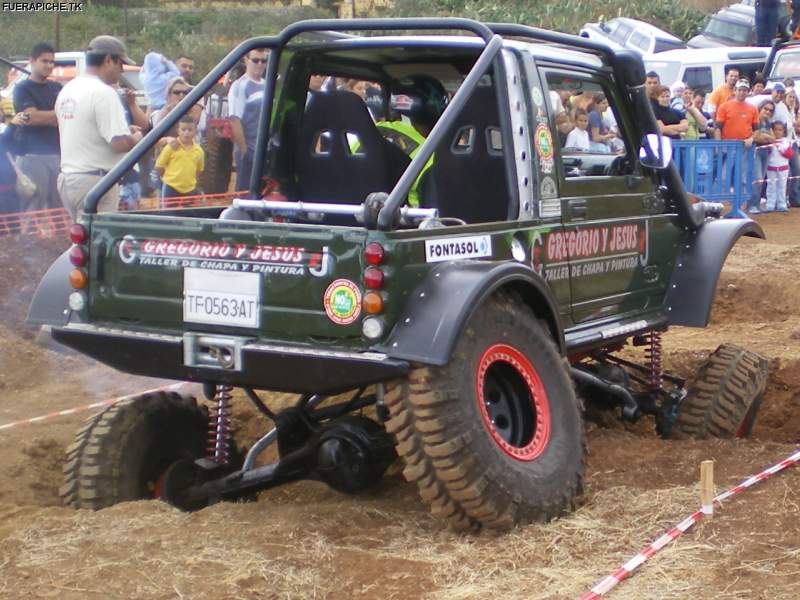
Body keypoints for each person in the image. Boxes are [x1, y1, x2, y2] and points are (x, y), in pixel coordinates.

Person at [55, 35, 143, 219]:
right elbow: (119, 142)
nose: (122, 70)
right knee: (100, 243)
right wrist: (135, 138)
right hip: (96, 182)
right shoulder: (104, 93)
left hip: (69, 179)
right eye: (120, 63)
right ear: (108, 60)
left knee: (83, 240)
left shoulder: (68, 89)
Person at [12, 42, 62, 212]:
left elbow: (68, 114)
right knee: (34, 205)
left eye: (51, 62)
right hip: (32, 155)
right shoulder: (22, 88)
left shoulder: (57, 88)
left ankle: (59, 239)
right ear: (32, 61)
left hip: (57, 154)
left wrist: (46, 117)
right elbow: (30, 117)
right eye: (44, 61)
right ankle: (30, 239)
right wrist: (57, 115)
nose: (49, 65)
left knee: (59, 205)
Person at [227, 48, 267, 192]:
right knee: (245, 192)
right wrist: (244, 151)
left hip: (265, 150)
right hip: (248, 150)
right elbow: (234, 120)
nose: (260, 64)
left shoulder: (267, 84)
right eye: (255, 60)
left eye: (263, 61)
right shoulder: (239, 86)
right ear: (246, 60)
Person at [155, 115, 204, 201]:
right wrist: (169, 178)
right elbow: (159, 166)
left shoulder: (199, 151)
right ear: (178, 131)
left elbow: (199, 170)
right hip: (171, 189)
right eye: (183, 129)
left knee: (187, 214)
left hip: (190, 190)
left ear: (195, 131)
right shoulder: (171, 147)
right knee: (168, 213)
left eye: (190, 130)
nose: (186, 133)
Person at [748, 99, 777, 214]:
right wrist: (766, 137)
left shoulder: (768, 123)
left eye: (771, 110)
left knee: (761, 178)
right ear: (760, 108)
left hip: (766, 152)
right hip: (755, 151)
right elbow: (755, 137)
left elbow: (773, 139)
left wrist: (765, 137)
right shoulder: (754, 121)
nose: (768, 112)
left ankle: (756, 203)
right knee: (758, 178)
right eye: (766, 109)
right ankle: (752, 205)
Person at [714, 79, 758, 144]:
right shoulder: (723, 107)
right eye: (739, 90)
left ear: (748, 92)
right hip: (728, 145)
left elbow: (757, 130)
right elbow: (718, 128)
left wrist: (751, 139)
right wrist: (718, 145)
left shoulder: (753, 109)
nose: (742, 93)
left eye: (744, 90)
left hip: (745, 146)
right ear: (735, 91)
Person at [765, 120, 793, 212]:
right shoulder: (769, 141)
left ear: (784, 131)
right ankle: (770, 204)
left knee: (782, 186)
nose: (777, 132)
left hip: (783, 168)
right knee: (771, 185)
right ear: (772, 130)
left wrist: (780, 147)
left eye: (780, 130)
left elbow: (789, 154)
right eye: (775, 129)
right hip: (771, 167)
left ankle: (781, 204)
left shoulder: (786, 142)